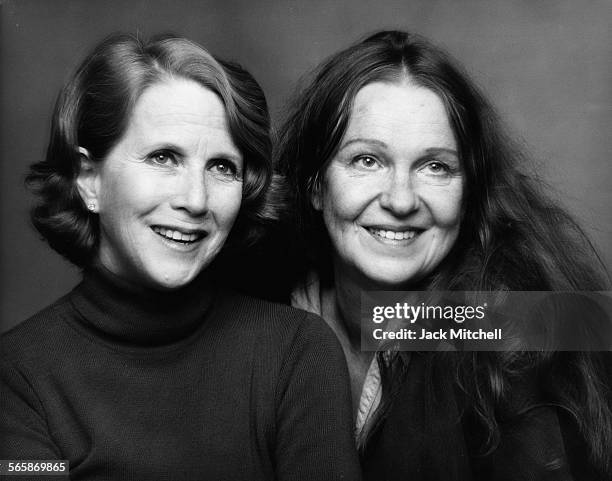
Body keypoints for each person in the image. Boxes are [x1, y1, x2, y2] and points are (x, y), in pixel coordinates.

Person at [0, 33, 361, 481]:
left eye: (221, 167)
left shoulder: (296, 352)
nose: (196, 199)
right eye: (163, 157)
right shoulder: (15, 376)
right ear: (88, 179)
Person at [276, 30, 612, 480]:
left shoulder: (511, 333)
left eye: (435, 167)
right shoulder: (259, 311)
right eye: (366, 161)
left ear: (468, 193)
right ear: (316, 185)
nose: (400, 200)